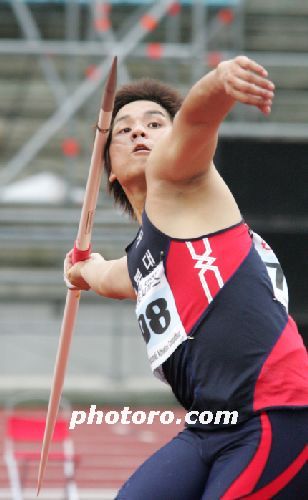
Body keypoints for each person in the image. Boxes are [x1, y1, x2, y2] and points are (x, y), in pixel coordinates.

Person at [65, 56, 308, 499]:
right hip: (210, 425)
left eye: (155, 123)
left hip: (276, 411)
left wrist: (219, 81)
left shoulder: (178, 179)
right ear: (111, 173)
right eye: (123, 130)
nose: (139, 131)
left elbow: (197, 117)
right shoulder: (143, 257)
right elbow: (108, 277)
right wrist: (81, 268)